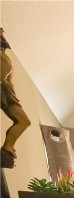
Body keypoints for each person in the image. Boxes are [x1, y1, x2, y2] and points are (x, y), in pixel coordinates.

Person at [1, 29, 33, 169]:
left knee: (24, 121)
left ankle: (8, 146)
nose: (3, 37)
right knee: (24, 121)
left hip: (9, 91)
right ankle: (8, 146)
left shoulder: (3, 54)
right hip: (4, 91)